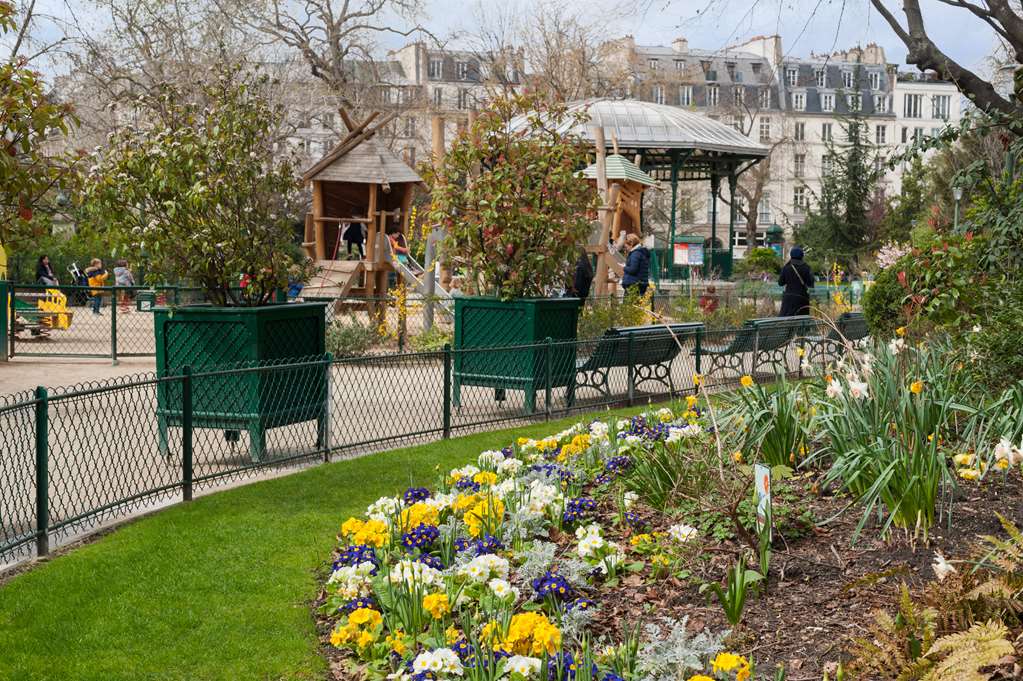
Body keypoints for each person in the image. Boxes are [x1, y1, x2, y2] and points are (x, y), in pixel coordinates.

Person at [778, 247, 814, 316]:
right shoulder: (807, 267)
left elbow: (780, 283)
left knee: (786, 318)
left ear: (791, 255)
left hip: (788, 298)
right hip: (802, 298)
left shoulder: (786, 267)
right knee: (802, 319)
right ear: (802, 255)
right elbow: (810, 283)